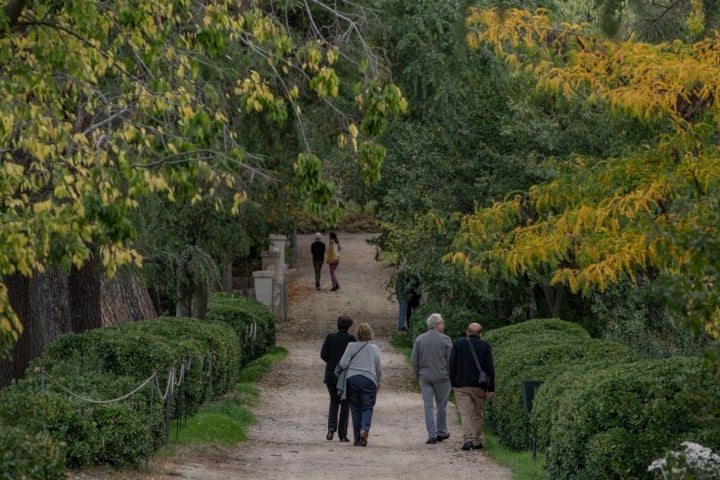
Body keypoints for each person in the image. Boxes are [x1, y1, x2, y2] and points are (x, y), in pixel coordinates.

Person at [449, 322, 495, 451]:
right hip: (479, 385)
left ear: (467, 332)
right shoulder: (485, 346)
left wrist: (453, 382)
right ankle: (477, 440)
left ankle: (468, 440)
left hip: (461, 385)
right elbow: (490, 369)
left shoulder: (458, 344)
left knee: (465, 413)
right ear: (481, 333)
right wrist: (491, 388)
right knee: (477, 413)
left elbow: (452, 365)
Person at [335, 322, 382, 447]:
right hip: (369, 379)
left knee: (355, 409)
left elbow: (343, 363)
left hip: (352, 379)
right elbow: (378, 369)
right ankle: (364, 430)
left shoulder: (351, 346)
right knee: (367, 407)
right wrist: (378, 382)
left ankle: (357, 438)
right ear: (370, 333)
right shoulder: (375, 349)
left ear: (357, 334)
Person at [411, 313, 453, 444]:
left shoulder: (420, 339)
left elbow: (414, 360)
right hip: (442, 377)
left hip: (425, 377)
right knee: (442, 405)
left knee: (428, 405)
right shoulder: (446, 339)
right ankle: (441, 431)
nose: (443, 325)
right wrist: (450, 376)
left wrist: (418, 375)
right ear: (437, 324)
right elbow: (450, 361)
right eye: (442, 323)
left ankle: (431, 434)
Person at [320, 315, 356, 442]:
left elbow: (323, 355)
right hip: (345, 375)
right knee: (345, 403)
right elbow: (354, 357)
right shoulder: (351, 340)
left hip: (330, 374)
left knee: (334, 401)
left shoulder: (329, 337)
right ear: (349, 327)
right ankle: (343, 434)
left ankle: (331, 429)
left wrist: (331, 362)